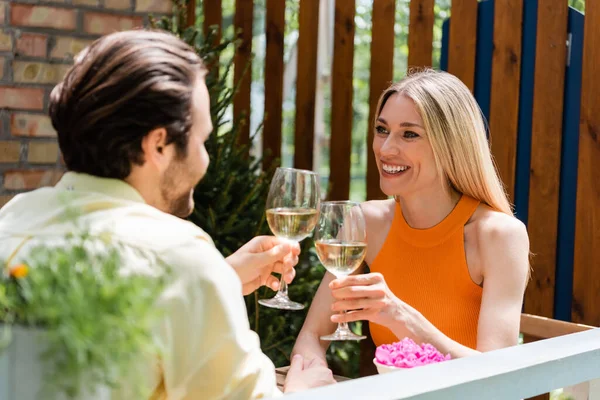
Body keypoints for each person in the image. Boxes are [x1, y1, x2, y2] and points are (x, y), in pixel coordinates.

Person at [0, 29, 335, 399]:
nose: (205, 159)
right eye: (202, 141)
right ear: (158, 144)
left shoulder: (12, 221)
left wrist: (218, 281)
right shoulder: (180, 258)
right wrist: (302, 391)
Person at [292, 69, 530, 365]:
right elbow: (311, 337)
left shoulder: (499, 235)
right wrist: (313, 378)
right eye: (382, 130)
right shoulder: (366, 222)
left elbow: (499, 376)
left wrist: (402, 318)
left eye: (409, 134)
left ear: (450, 145)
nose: (386, 149)